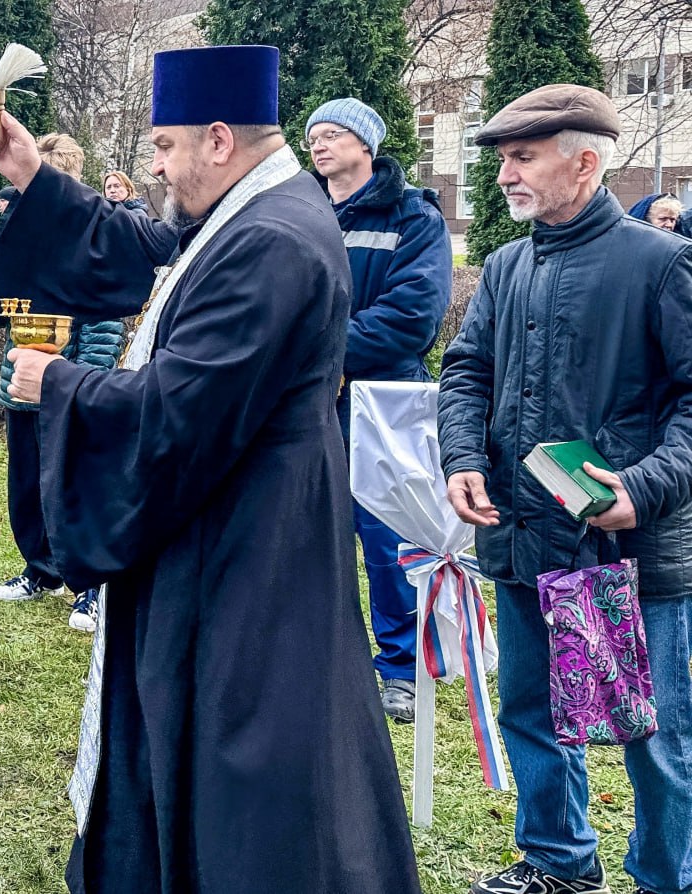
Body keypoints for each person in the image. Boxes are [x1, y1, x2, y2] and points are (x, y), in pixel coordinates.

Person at [0, 44, 419, 893]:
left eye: (164, 147)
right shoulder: (254, 209)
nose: (155, 167)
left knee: (239, 768)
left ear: (220, 140)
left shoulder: (274, 240)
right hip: (240, 531)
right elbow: (137, 244)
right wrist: (33, 171)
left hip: (246, 559)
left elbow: (182, 411)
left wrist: (55, 382)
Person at [438, 84, 692, 894]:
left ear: (584, 162)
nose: (506, 175)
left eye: (523, 158)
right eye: (504, 159)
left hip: (629, 552)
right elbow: (468, 370)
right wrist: (460, 457)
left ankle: (668, 878)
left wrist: (644, 488)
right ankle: (558, 863)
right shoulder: (508, 265)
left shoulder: (661, 262)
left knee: (655, 733)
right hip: (522, 534)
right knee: (531, 710)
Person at [305, 96, 453, 723]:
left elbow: (413, 314)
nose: (320, 145)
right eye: (313, 135)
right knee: (312, 534)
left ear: (367, 146)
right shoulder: (302, 210)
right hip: (309, 399)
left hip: (380, 403)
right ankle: (328, 660)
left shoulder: (412, 216)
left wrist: (326, 353)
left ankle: (401, 669)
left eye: (334, 134)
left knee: (389, 541)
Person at [0, 132, 124, 635]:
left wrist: (84, 380)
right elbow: (11, 312)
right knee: (26, 486)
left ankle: (90, 589)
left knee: (75, 487)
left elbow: (106, 321)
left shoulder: (94, 239)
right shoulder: (28, 237)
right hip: (21, 387)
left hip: (69, 389)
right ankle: (40, 569)